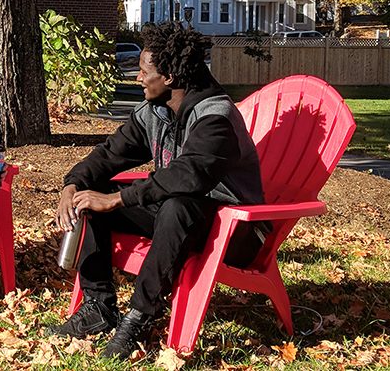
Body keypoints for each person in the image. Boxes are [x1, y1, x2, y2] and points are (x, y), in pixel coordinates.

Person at [47, 23, 264, 359]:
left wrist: (117, 199)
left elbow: (188, 176)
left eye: (143, 71)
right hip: (181, 215)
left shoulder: (215, 118)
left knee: (177, 205)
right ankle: (99, 308)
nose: (137, 77)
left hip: (234, 231)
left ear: (170, 78)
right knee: (91, 198)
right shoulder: (157, 111)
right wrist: (73, 184)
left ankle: (139, 318)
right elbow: (110, 153)